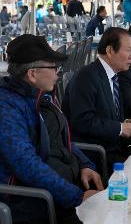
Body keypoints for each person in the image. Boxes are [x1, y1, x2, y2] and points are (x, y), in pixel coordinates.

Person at [0, 34, 103, 224]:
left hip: (59, 185)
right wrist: (77, 197)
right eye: (54, 68)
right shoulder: (7, 108)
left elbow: (62, 139)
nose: (58, 74)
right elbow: (27, 166)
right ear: (32, 74)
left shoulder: (41, 97)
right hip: (31, 199)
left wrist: (84, 164)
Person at [62, 28, 131, 173]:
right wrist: (118, 128)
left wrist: (125, 122)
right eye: (129, 51)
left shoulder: (112, 75)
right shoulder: (86, 77)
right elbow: (81, 121)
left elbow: (103, 113)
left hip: (112, 146)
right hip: (94, 154)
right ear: (110, 50)